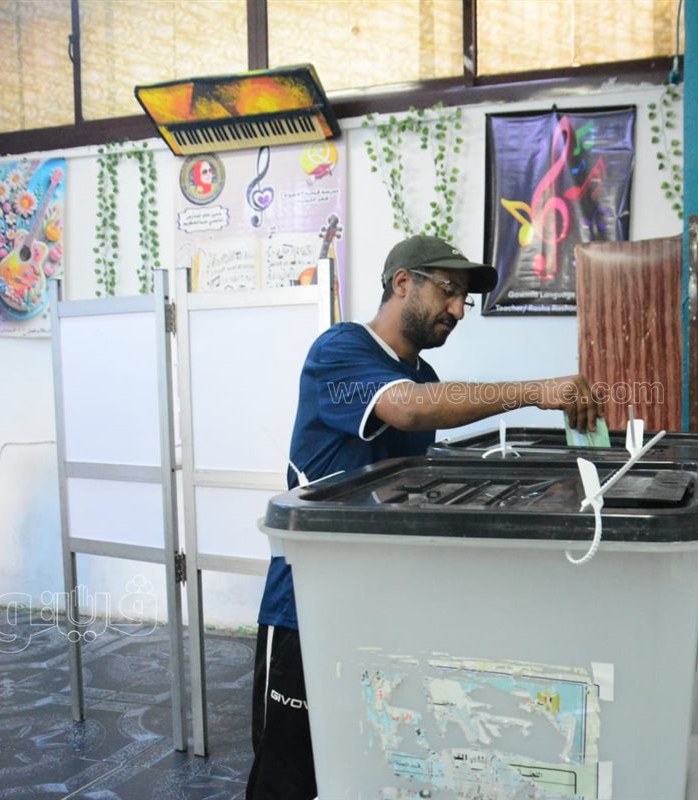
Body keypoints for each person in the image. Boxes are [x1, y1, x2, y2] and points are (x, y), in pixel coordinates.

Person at [246, 234, 603, 800]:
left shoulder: (425, 379)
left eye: (464, 298)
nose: (458, 310)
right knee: (289, 772)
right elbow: (404, 410)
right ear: (402, 283)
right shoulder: (339, 350)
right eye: (448, 290)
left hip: (383, 604)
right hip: (308, 605)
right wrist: (536, 390)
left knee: (365, 759)